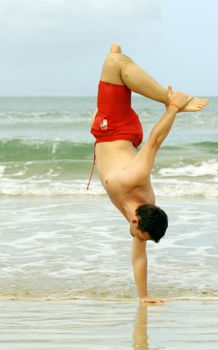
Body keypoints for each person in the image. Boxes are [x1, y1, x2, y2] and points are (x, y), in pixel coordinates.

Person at [88, 44, 208, 304]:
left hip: (104, 133)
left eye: (139, 236)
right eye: (138, 233)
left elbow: (139, 257)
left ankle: (115, 49)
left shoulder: (141, 218)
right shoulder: (136, 179)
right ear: (138, 221)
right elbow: (154, 141)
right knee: (115, 62)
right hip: (116, 129)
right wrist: (172, 108)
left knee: (114, 54)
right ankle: (170, 97)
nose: (134, 234)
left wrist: (143, 296)